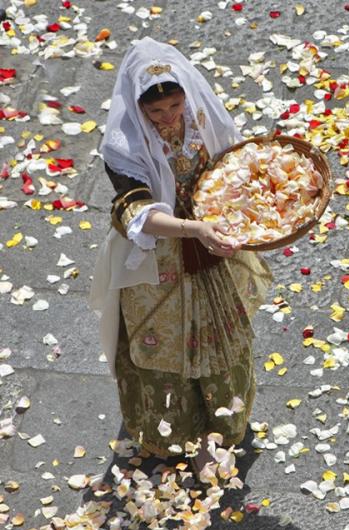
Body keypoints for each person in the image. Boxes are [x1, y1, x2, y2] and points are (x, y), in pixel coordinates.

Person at [89, 37, 272, 477]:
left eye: (174, 107)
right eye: (156, 113)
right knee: (163, 346)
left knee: (222, 334)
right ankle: (173, 433)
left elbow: (231, 167)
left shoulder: (200, 119)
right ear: (138, 111)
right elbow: (137, 213)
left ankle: (223, 430)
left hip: (211, 242)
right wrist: (195, 229)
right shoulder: (124, 146)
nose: (168, 119)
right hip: (160, 254)